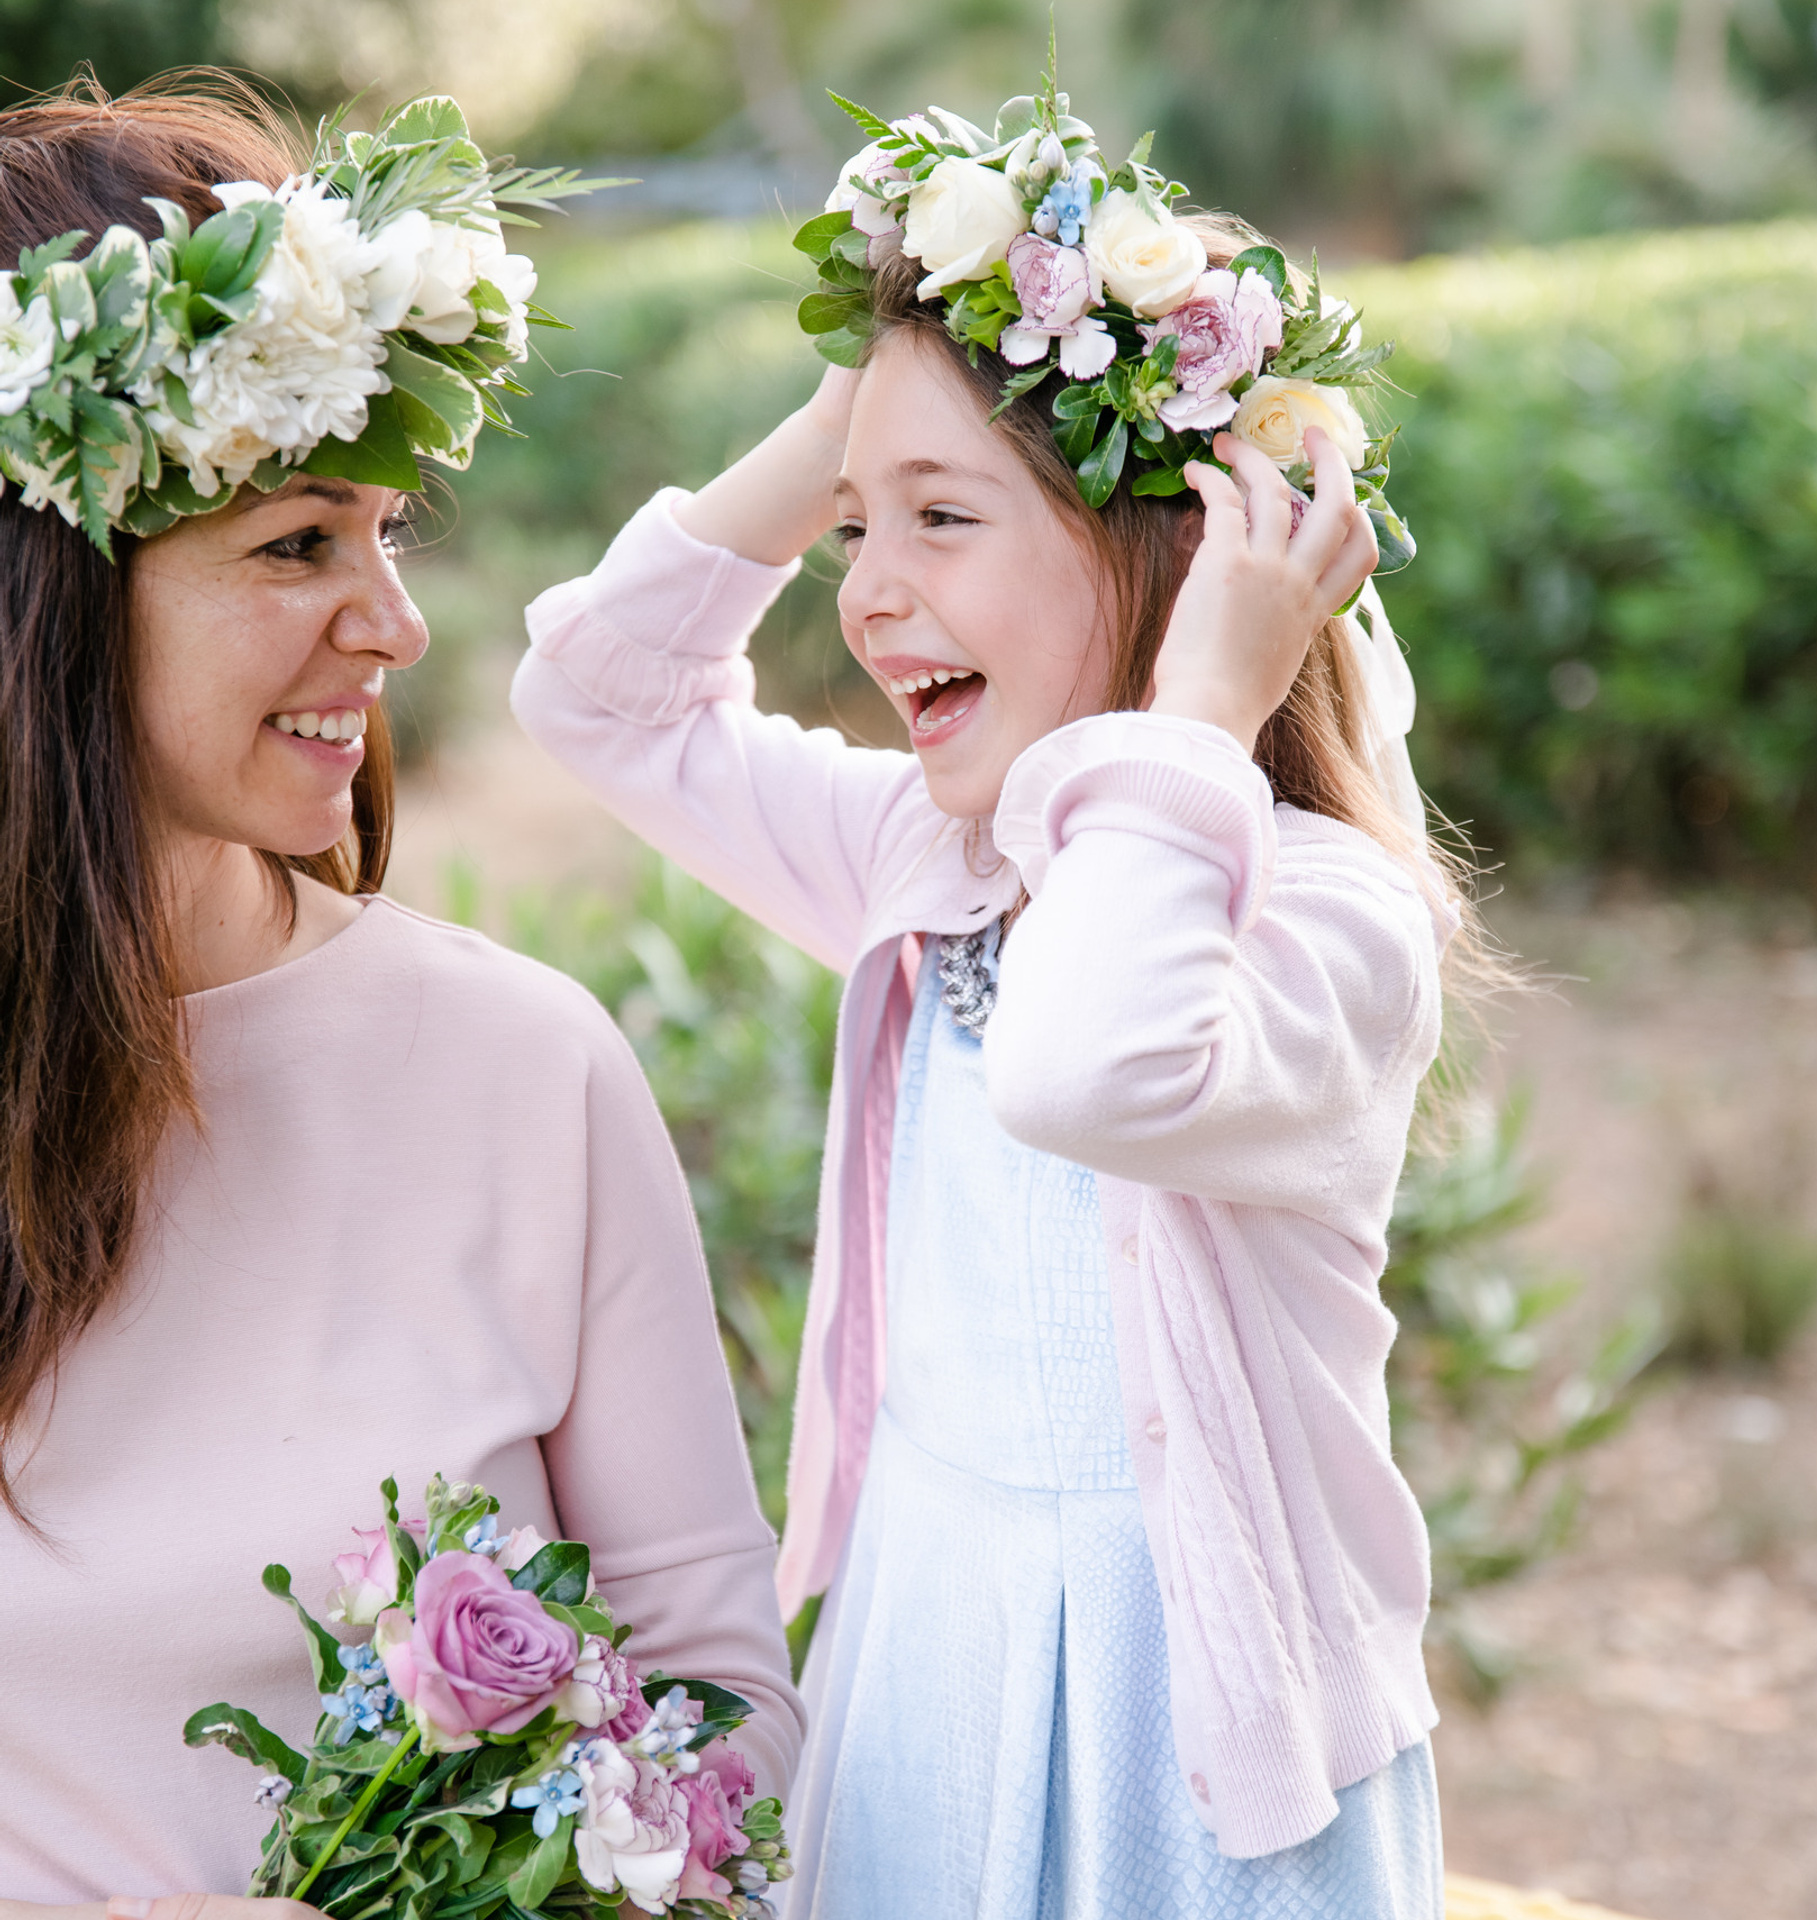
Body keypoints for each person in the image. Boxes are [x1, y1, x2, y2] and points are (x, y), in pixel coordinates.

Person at [514, 89, 1487, 1920]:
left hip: (1199, 1759)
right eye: (852, 531)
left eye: (942, 519)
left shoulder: (1330, 918)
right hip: (929, 1675)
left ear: (1173, 561)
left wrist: (1192, 714)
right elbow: (598, 702)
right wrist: (862, 406)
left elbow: (1083, 1068)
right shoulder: (929, 854)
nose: (869, 596)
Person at [0, 83, 801, 1919]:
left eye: (386, 532)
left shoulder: (525, 1075)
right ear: (43, 590)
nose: (394, 619)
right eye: (296, 545)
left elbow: (723, 1706)